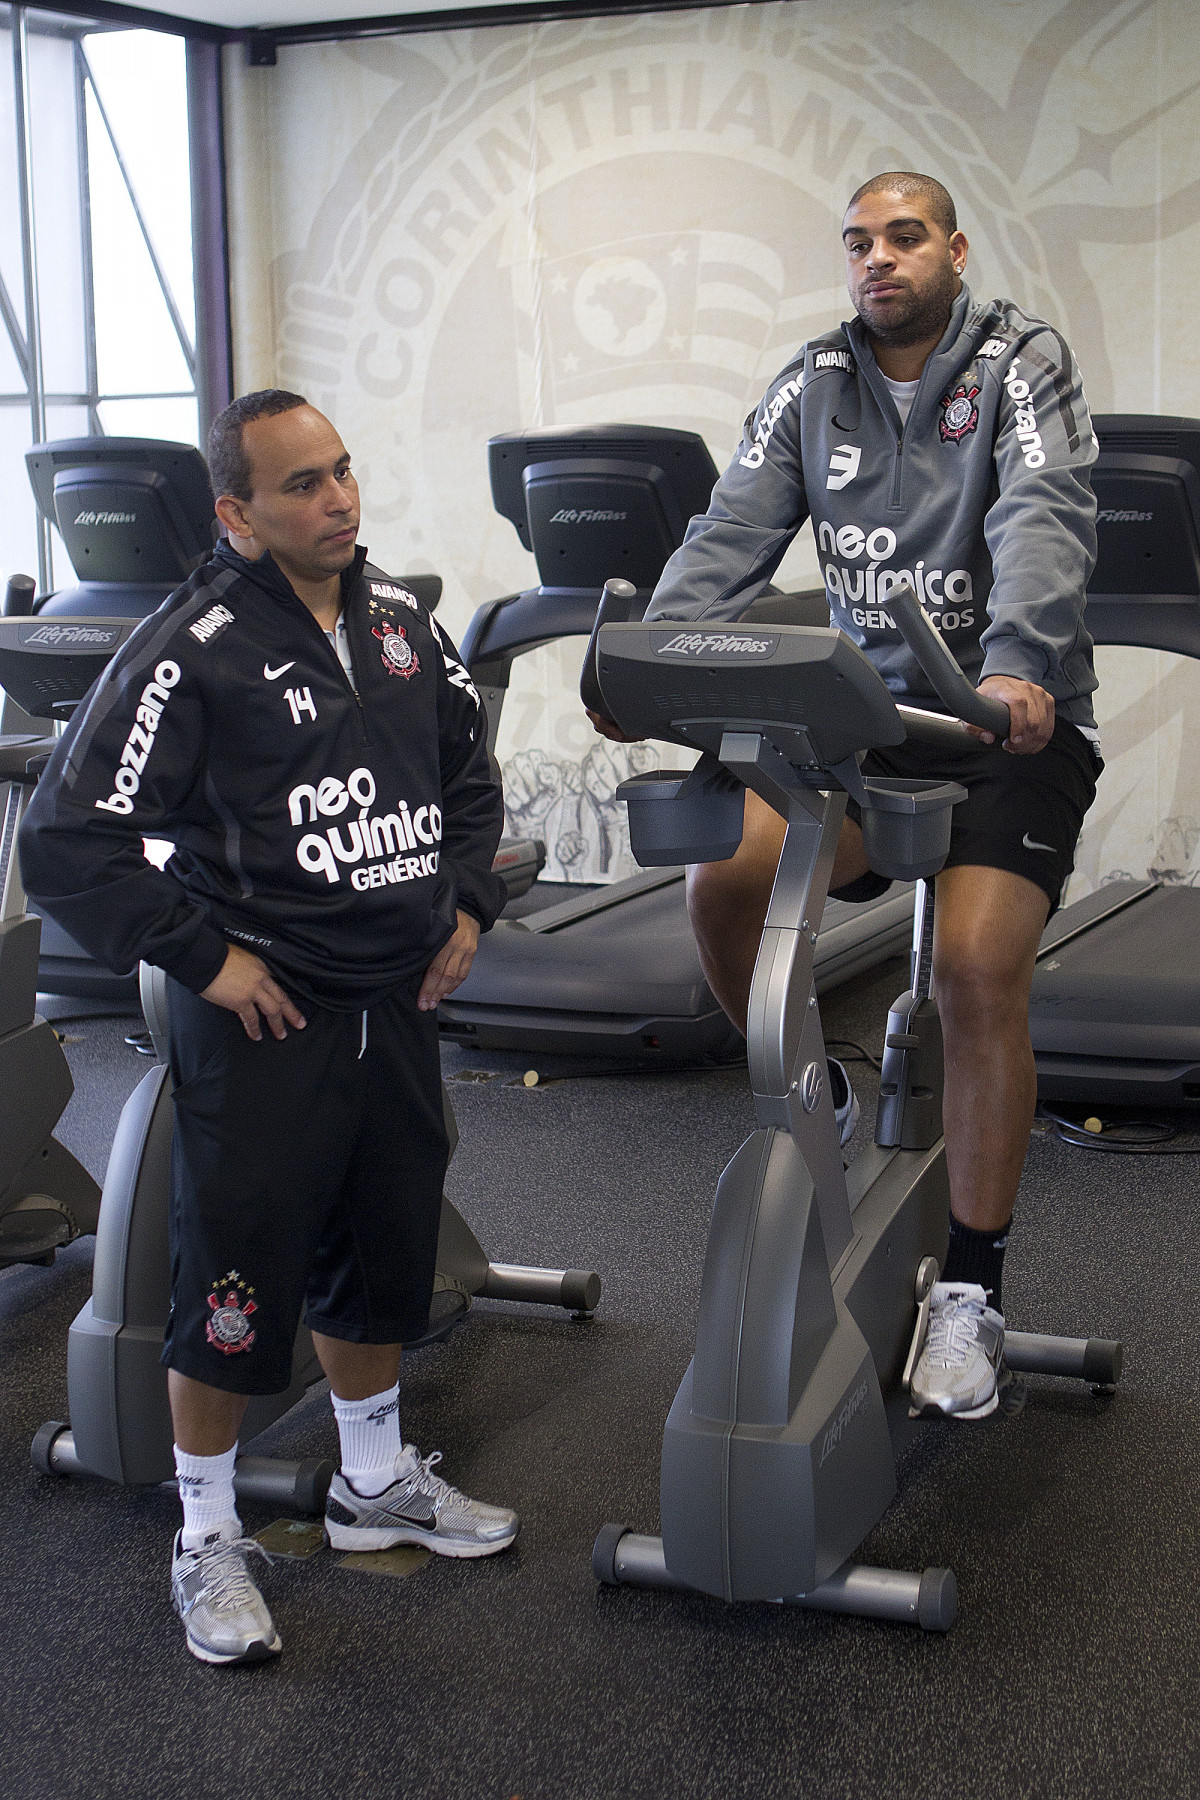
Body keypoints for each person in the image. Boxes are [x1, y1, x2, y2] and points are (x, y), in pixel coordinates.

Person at [588, 172, 1101, 1422]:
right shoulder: (814, 382)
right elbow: (731, 528)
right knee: (727, 878)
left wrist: (1019, 664)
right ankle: (807, 1099)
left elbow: (1045, 512)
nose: (878, 259)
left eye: (904, 237)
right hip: (861, 725)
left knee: (979, 971)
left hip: (996, 727)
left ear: (955, 248)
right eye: (859, 242)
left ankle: (971, 1293)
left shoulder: (1019, 363)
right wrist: (645, 657)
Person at [21, 391, 518, 1667]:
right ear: (237, 513)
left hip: (395, 1003)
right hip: (265, 1013)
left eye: (344, 472)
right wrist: (209, 959)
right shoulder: (188, 645)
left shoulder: (403, 621)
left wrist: (469, 899)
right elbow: (67, 842)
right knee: (235, 1286)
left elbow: (468, 774)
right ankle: (203, 1535)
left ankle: (370, 1481)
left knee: (385, 1243)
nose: (339, 500)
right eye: (302, 485)